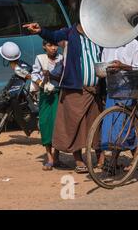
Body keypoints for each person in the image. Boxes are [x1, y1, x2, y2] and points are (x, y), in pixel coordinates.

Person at [23, 22, 103, 174]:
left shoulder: (98, 35)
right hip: (75, 89)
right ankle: (78, 160)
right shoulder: (70, 33)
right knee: (74, 125)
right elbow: (53, 36)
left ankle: (100, 157)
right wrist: (41, 30)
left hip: (95, 90)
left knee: (96, 123)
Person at [97, 39, 138, 169]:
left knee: (123, 125)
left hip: (128, 89)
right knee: (110, 125)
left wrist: (122, 66)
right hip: (112, 89)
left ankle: (134, 156)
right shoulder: (107, 45)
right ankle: (118, 160)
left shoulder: (134, 45)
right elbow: (103, 68)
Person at [31, 40, 64, 171]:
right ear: (44, 46)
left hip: (59, 94)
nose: (53, 48)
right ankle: (49, 157)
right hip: (45, 96)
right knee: (45, 124)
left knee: (58, 124)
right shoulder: (40, 58)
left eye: (55, 45)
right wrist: (42, 84)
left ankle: (57, 156)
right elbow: (34, 75)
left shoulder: (62, 58)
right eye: (50, 45)